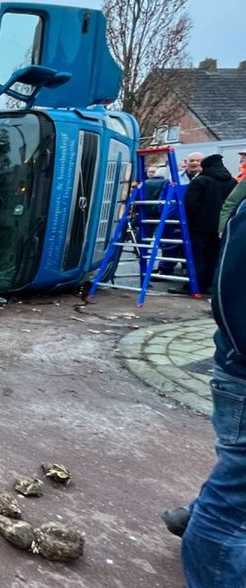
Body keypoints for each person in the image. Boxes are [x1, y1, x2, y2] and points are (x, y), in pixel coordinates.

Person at [177, 192, 246, 586]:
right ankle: (209, 524)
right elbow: (232, 294)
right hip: (241, 370)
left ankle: (202, 513)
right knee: (232, 503)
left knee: (235, 486)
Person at [182, 154, 237, 294]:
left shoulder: (200, 181)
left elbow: (189, 204)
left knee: (196, 256)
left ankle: (194, 285)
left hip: (199, 226)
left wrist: (186, 223)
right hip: (221, 227)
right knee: (214, 256)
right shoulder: (232, 182)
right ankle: (210, 284)